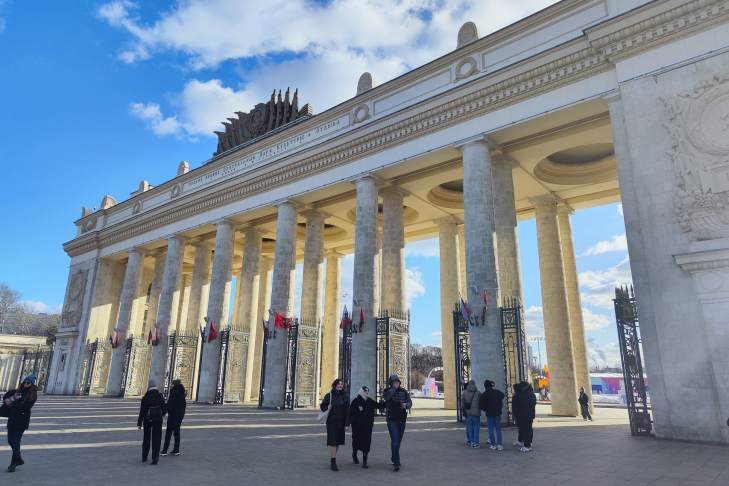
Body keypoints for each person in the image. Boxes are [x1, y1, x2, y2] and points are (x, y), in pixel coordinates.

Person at [3, 374, 38, 473]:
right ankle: (18, 459)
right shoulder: (16, 391)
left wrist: (14, 400)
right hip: (12, 420)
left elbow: (26, 407)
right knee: (10, 440)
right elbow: (6, 397)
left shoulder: (32, 395)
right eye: (25, 382)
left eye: (28, 383)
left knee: (16, 441)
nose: (26, 384)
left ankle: (13, 464)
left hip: (21, 421)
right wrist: (12, 398)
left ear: (31, 384)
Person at [380, 374, 412, 472]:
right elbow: (386, 398)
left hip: (402, 420)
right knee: (395, 441)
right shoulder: (387, 391)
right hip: (391, 420)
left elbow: (410, 403)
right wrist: (393, 389)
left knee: (397, 442)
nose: (396, 383)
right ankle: (396, 463)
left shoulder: (404, 391)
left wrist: (406, 405)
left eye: (397, 382)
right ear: (391, 383)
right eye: (394, 382)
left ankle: (394, 458)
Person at [319, 379, 349, 471]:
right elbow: (322, 406)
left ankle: (333, 457)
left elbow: (348, 411)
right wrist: (327, 407)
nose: (340, 385)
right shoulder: (329, 395)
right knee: (333, 441)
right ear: (335, 385)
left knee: (338, 442)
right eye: (339, 384)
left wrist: (347, 424)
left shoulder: (345, 396)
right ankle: (333, 461)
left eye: (341, 384)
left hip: (341, 422)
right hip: (332, 422)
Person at [137, 381, 167, 465]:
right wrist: (162, 414)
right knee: (156, 439)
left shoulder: (145, 397)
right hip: (158, 420)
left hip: (147, 420)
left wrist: (139, 423)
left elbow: (142, 411)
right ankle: (155, 458)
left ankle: (144, 456)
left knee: (146, 439)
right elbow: (164, 409)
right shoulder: (160, 396)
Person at [349, 385, 376, 468]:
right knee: (356, 441)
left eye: (368, 391)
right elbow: (350, 413)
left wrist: (388, 400)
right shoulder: (356, 401)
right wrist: (350, 423)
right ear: (361, 391)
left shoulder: (370, 401)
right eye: (365, 391)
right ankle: (354, 454)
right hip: (357, 427)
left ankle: (365, 462)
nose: (367, 392)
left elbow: (379, 405)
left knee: (367, 443)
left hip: (368, 426)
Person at [161, 379, 186, 456]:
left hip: (173, 416)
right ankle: (176, 450)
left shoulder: (173, 391)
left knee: (168, 433)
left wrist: (164, 412)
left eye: (171, 384)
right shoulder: (182, 393)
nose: (171, 385)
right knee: (177, 432)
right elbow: (184, 405)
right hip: (179, 416)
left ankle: (164, 450)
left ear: (174, 384)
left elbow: (170, 404)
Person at [480, 379, 505, 450]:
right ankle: (499, 445)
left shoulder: (484, 394)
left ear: (485, 386)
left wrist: (485, 409)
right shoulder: (497, 392)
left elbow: (481, 405)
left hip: (489, 413)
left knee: (490, 429)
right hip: (497, 413)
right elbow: (503, 395)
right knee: (498, 429)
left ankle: (493, 445)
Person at [513, 381, 536, 452]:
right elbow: (533, 404)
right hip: (530, 414)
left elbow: (517, 407)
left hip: (523, 415)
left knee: (525, 430)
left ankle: (527, 446)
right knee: (528, 429)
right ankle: (529, 442)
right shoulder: (531, 394)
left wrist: (515, 415)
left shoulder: (521, 395)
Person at [461, 380, 481, 448]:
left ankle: (471, 441)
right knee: (476, 428)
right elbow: (481, 402)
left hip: (468, 413)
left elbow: (462, 403)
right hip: (476, 413)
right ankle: (476, 442)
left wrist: (463, 410)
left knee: (469, 427)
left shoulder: (464, 392)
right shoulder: (478, 393)